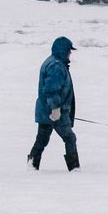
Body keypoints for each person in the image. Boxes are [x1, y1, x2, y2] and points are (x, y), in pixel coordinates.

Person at [27, 36, 79, 172]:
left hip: (45, 111)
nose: (70, 53)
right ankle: (74, 168)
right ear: (63, 50)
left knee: (42, 140)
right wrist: (55, 109)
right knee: (70, 138)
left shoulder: (53, 62)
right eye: (69, 50)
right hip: (54, 112)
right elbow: (51, 90)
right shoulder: (56, 66)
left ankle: (32, 164)